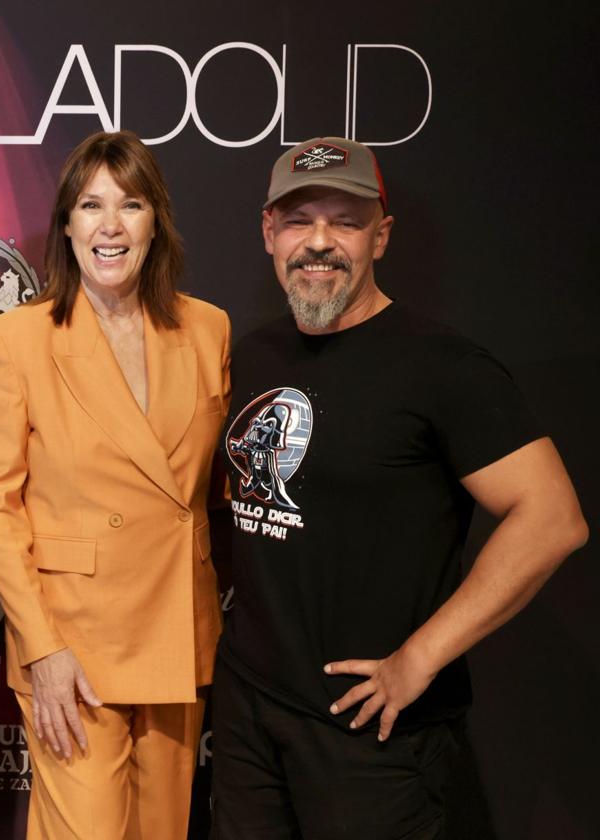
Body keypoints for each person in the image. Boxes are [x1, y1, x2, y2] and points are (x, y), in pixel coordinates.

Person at [210, 137, 589, 839]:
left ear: (379, 237)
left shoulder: (444, 368)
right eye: (298, 221)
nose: (318, 243)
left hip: (372, 735)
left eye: (344, 222)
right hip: (249, 716)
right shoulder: (254, 354)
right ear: (269, 233)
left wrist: (420, 657)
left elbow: (553, 517)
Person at [0, 130, 231, 840]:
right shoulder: (18, 339)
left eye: (131, 204)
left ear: (157, 221)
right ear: (66, 224)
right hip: (73, 644)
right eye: (91, 205)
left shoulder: (209, 330)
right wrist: (43, 649)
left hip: (176, 627)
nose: (110, 225)